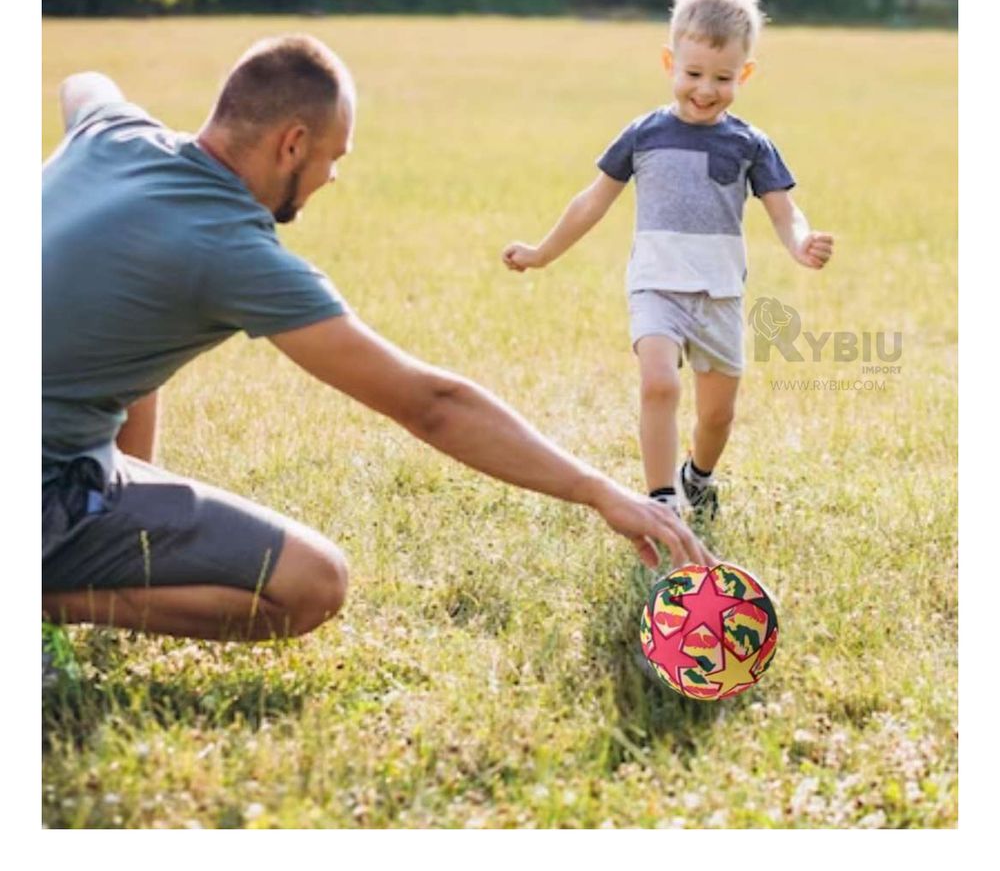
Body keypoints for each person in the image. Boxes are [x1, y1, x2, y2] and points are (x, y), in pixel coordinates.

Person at [42, 34, 715, 649]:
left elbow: (85, 81)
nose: (333, 177)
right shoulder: (229, 250)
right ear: (292, 143)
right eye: (333, 157)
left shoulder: (113, 131)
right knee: (312, 582)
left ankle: (103, 522)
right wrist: (599, 490)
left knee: (136, 325)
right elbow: (432, 404)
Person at [502, 0, 834, 521]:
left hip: (719, 295)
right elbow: (591, 202)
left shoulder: (750, 144)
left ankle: (697, 476)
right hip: (656, 287)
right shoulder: (643, 135)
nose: (705, 89)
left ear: (745, 73)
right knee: (658, 383)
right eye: (693, 73)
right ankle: (662, 502)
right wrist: (541, 252)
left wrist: (801, 243)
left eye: (723, 78)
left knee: (717, 417)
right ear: (669, 62)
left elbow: (783, 210)